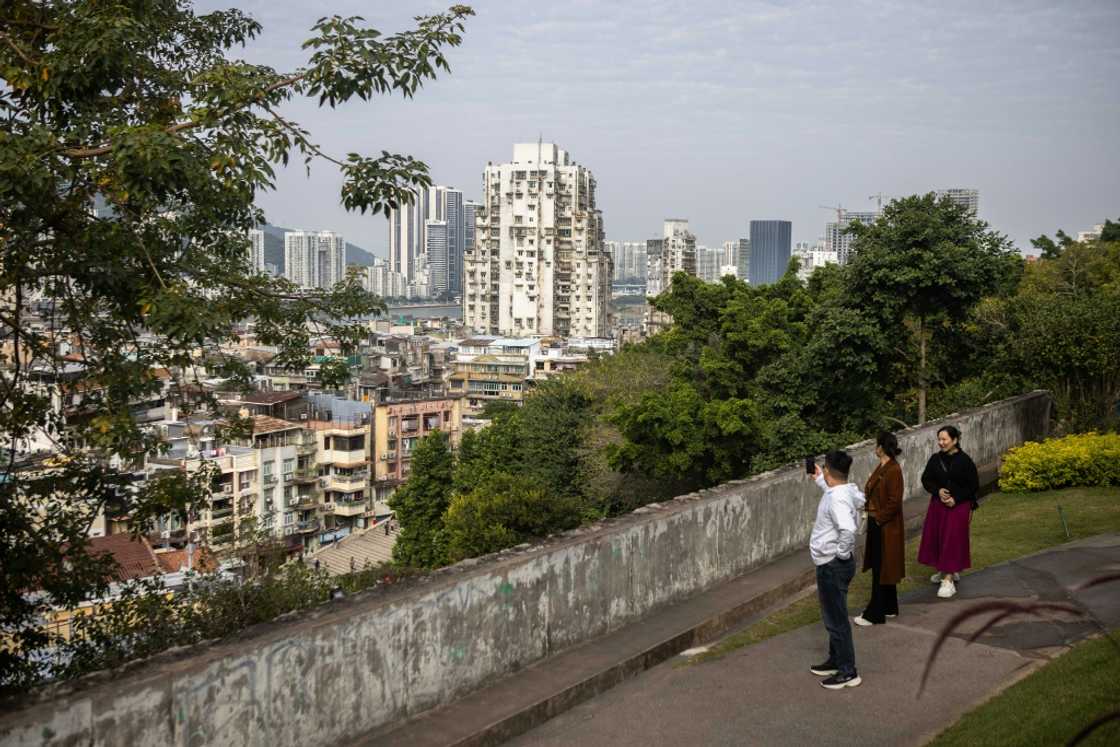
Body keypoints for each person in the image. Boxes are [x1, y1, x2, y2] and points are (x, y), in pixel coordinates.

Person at [808, 450, 866, 689]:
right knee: (834, 615)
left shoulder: (837, 498)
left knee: (836, 619)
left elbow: (847, 530)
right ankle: (836, 660)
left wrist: (840, 555)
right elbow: (838, 492)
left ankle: (847, 671)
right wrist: (821, 479)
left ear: (830, 470)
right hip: (832, 563)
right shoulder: (844, 490)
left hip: (833, 565)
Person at [917, 425, 980, 599]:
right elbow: (926, 479)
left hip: (958, 507)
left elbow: (973, 485)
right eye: (939, 439)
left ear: (955, 440)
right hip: (938, 505)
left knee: (952, 539)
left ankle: (948, 579)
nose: (941, 443)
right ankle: (945, 569)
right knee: (938, 537)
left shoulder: (965, 461)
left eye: (944, 439)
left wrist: (956, 498)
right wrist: (937, 491)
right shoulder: (935, 459)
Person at [854, 432, 905, 626]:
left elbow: (894, 501)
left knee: (881, 566)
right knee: (883, 565)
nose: (875, 448)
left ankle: (874, 613)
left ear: (882, 447)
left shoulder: (893, 469)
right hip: (880, 523)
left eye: (877, 445)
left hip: (884, 526)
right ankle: (890, 606)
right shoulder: (884, 467)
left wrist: (879, 519)